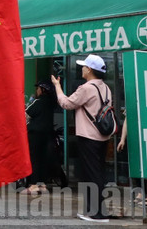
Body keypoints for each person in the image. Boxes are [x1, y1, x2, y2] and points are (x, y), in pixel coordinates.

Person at [51, 54, 111, 223]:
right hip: (102, 137)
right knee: (97, 173)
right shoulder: (105, 87)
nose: (82, 68)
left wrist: (57, 86)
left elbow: (66, 103)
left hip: (88, 137)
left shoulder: (87, 88)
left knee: (91, 174)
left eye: (84, 66)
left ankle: (96, 214)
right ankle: (98, 211)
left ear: (90, 69)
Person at [22, 81, 57, 195]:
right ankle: (42, 184)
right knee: (43, 159)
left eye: (38, 89)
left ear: (42, 90)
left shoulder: (38, 102)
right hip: (48, 134)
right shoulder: (51, 103)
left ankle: (33, 185)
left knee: (34, 159)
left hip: (35, 134)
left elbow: (26, 114)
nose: (36, 91)